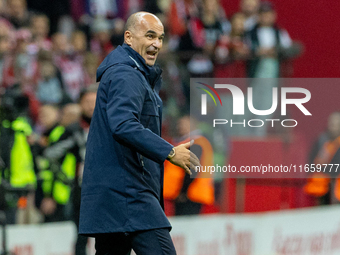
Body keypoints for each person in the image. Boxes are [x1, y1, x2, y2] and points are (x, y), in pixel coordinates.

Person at [79, 12, 200, 255]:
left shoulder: (130, 73)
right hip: (129, 192)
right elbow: (123, 124)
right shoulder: (127, 74)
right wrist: (169, 151)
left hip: (115, 192)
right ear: (129, 37)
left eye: (161, 38)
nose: (157, 43)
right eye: (150, 36)